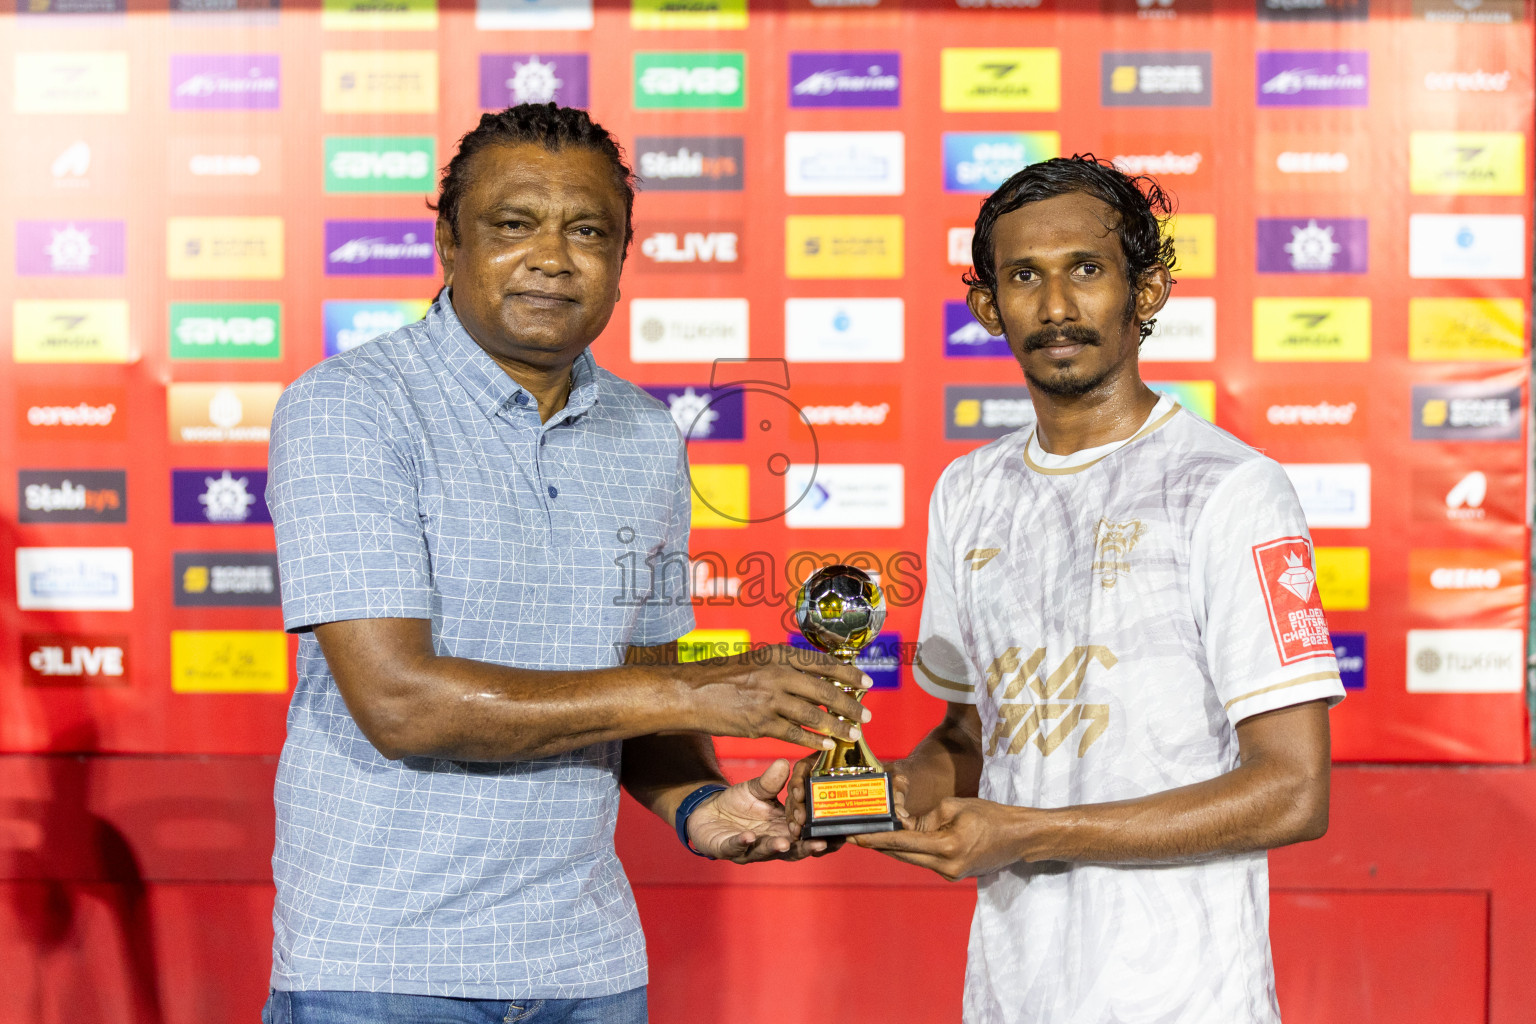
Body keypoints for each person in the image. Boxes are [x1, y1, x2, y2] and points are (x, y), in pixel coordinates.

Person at [262, 103, 869, 1023]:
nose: (553, 257)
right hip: (381, 966)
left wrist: (704, 804)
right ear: (448, 242)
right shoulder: (349, 408)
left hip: (586, 968)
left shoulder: (646, 434)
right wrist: (701, 694)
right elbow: (401, 702)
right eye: (514, 224)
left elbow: (645, 682)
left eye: (589, 231)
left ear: (621, 260)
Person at [807, 156, 1347, 1023]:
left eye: (1086, 270)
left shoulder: (1230, 489)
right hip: (1011, 990)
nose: (1056, 306)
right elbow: (968, 738)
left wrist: (1027, 830)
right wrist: (845, 800)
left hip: (1182, 998)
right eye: (1025, 276)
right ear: (989, 307)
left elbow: (1293, 791)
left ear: (1149, 290)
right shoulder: (968, 491)